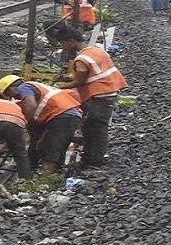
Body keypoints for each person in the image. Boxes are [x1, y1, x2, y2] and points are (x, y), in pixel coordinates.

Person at [54, 27, 127, 176]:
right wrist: (66, 79)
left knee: (95, 128)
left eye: (63, 44)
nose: (63, 47)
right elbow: (92, 74)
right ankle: (94, 157)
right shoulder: (95, 50)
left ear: (71, 41)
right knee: (96, 127)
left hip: (100, 95)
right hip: (109, 90)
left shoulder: (82, 59)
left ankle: (94, 160)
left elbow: (80, 82)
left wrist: (59, 88)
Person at [0, 74, 83, 176]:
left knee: (50, 145)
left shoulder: (24, 87)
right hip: (66, 115)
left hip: (62, 115)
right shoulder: (38, 89)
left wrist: (22, 124)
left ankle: (45, 175)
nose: (14, 97)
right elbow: (34, 139)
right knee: (54, 145)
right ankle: (54, 173)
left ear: (11, 88)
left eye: (9, 94)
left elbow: (31, 106)